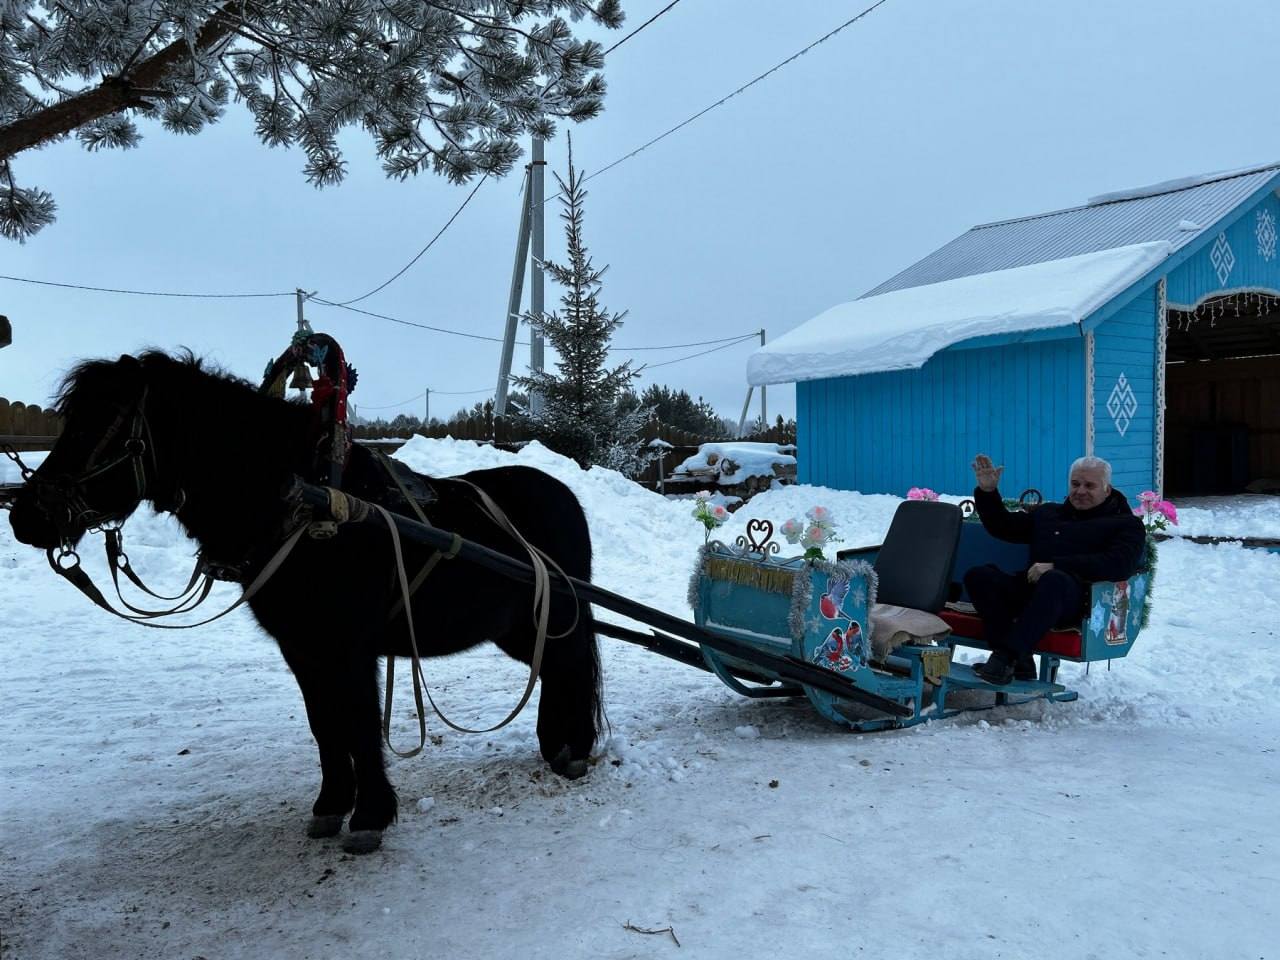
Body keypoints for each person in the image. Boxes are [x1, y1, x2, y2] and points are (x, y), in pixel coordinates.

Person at [963, 453, 1146, 685]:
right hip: (1032, 592)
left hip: (1079, 602)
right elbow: (1004, 527)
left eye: (1090, 486)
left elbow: (1119, 565)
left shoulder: (1126, 524)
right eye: (1075, 484)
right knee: (980, 577)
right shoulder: (1049, 514)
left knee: (1055, 580)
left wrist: (1057, 565)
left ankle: (1006, 657)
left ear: (1107, 489)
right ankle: (1020, 659)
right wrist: (988, 492)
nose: (1080, 491)